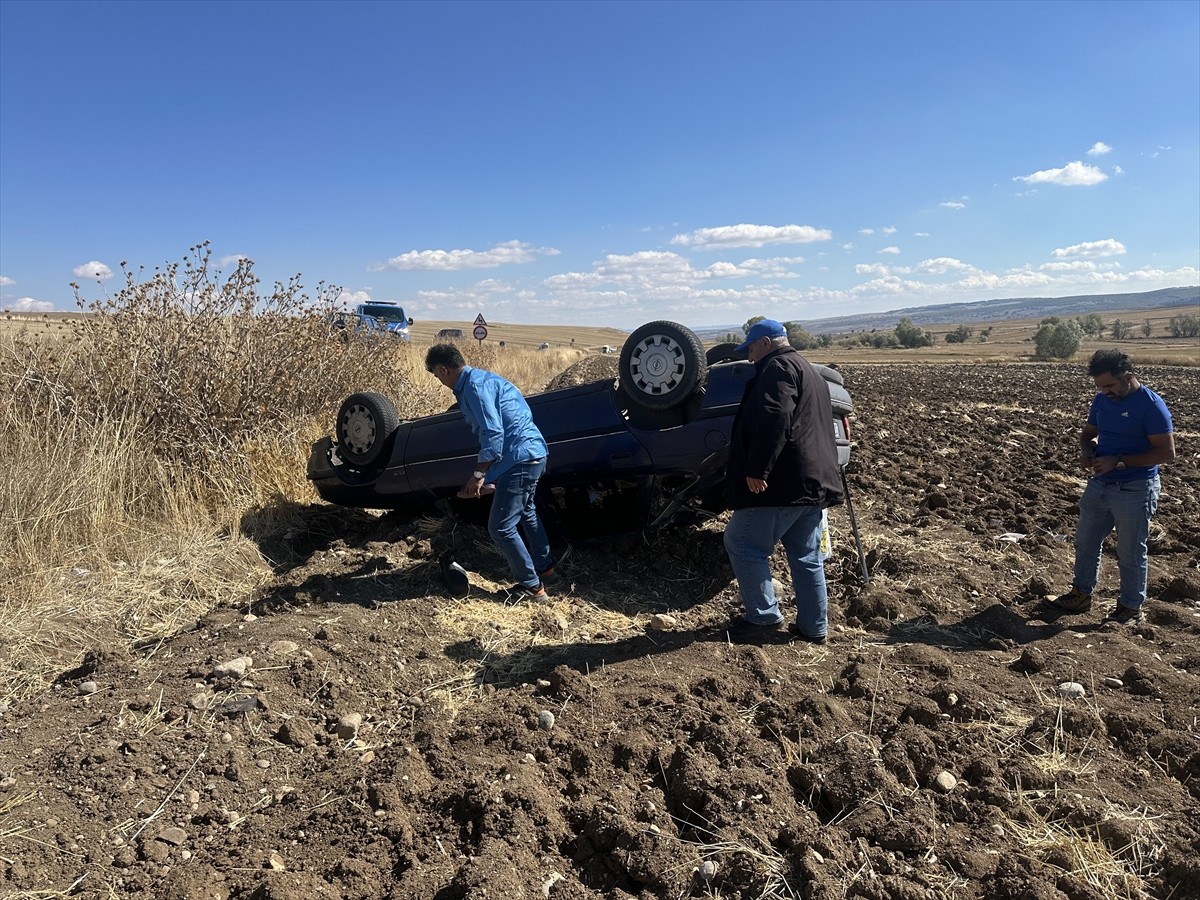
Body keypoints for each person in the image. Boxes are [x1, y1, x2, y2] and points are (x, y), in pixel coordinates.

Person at [721, 319, 844, 643]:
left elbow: (775, 418)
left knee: (742, 541)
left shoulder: (777, 368)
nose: (749, 357)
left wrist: (757, 469)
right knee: (806, 557)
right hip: (815, 483)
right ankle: (814, 627)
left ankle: (763, 618)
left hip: (784, 482)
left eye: (750, 348)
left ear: (764, 343)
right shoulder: (809, 370)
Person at [425, 344, 558, 601]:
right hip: (532, 453)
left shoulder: (475, 387)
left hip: (519, 458)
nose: (439, 381)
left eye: (436, 375)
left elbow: (494, 433)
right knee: (526, 512)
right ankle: (547, 570)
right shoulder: (484, 379)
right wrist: (489, 475)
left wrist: (478, 475)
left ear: (444, 369)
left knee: (501, 527)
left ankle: (532, 586)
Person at [1051, 349, 1175, 624]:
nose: (1104, 391)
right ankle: (1081, 594)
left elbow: (1166, 452)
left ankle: (1130, 608)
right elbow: (1088, 434)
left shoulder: (1151, 406)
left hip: (1135, 488)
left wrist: (1118, 462)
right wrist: (1086, 452)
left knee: (1130, 551)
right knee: (1085, 542)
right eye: (1099, 386)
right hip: (1100, 485)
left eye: (1109, 385)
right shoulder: (1102, 400)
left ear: (1128, 377)